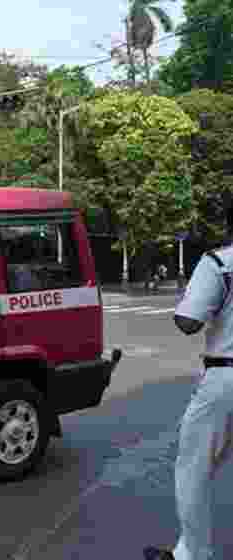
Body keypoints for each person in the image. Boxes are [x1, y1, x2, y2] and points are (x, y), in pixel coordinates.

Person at [143, 207, 233, 560]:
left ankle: (192, 554)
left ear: (227, 225)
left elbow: (189, 321)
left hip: (225, 380)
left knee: (194, 466)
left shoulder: (219, 263)